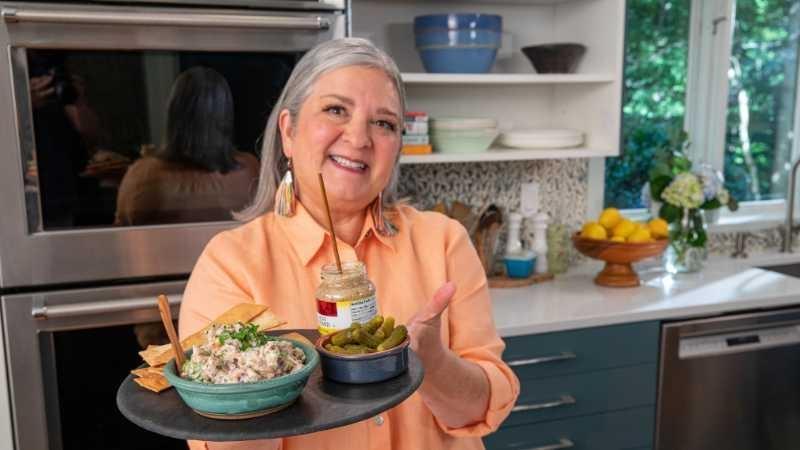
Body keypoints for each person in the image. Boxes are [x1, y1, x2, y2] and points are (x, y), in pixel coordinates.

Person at [178, 38, 519, 450]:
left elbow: (482, 411)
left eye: (384, 123)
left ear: (396, 149)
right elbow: (216, 440)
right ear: (289, 132)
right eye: (336, 110)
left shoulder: (443, 241)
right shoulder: (230, 263)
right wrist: (257, 385)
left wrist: (433, 363)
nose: (359, 138)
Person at [115, 66, 259, 226]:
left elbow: (122, 233)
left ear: (173, 115)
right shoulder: (251, 170)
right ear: (225, 116)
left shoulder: (144, 174)